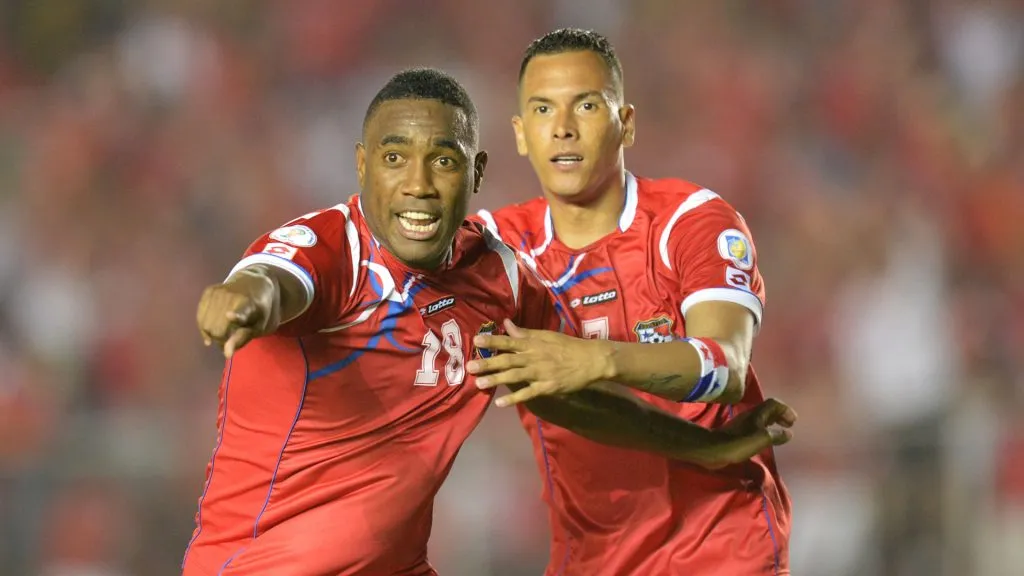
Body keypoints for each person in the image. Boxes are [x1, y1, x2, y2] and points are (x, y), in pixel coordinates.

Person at [182, 67, 796, 576]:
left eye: (442, 161)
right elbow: (274, 279)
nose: (418, 184)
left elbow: (571, 396)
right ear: (363, 166)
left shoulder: (498, 276)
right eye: (395, 158)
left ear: (475, 173)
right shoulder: (333, 249)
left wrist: (707, 446)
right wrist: (241, 301)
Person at [469, 29, 793, 575]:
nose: (563, 127)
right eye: (543, 109)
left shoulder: (690, 220)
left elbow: (725, 366)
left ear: (627, 123)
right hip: (590, 558)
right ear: (522, 135)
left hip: (721, 548)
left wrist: (596, 359)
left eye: (587, 105)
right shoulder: (496, 249)